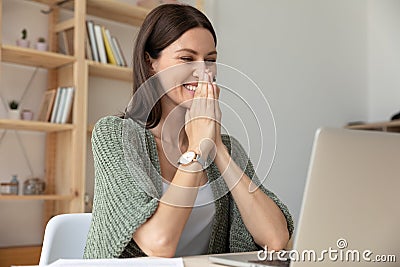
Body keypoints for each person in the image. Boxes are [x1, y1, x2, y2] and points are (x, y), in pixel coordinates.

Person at [84, 3, 293, 259]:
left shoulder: (227, 146)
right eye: (186, 58)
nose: (202, 71)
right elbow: (159, 244)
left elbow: (276, 238)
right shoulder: (115, 136)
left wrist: (216, 148)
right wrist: (195, 150)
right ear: (151, 63)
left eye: (211, 60)